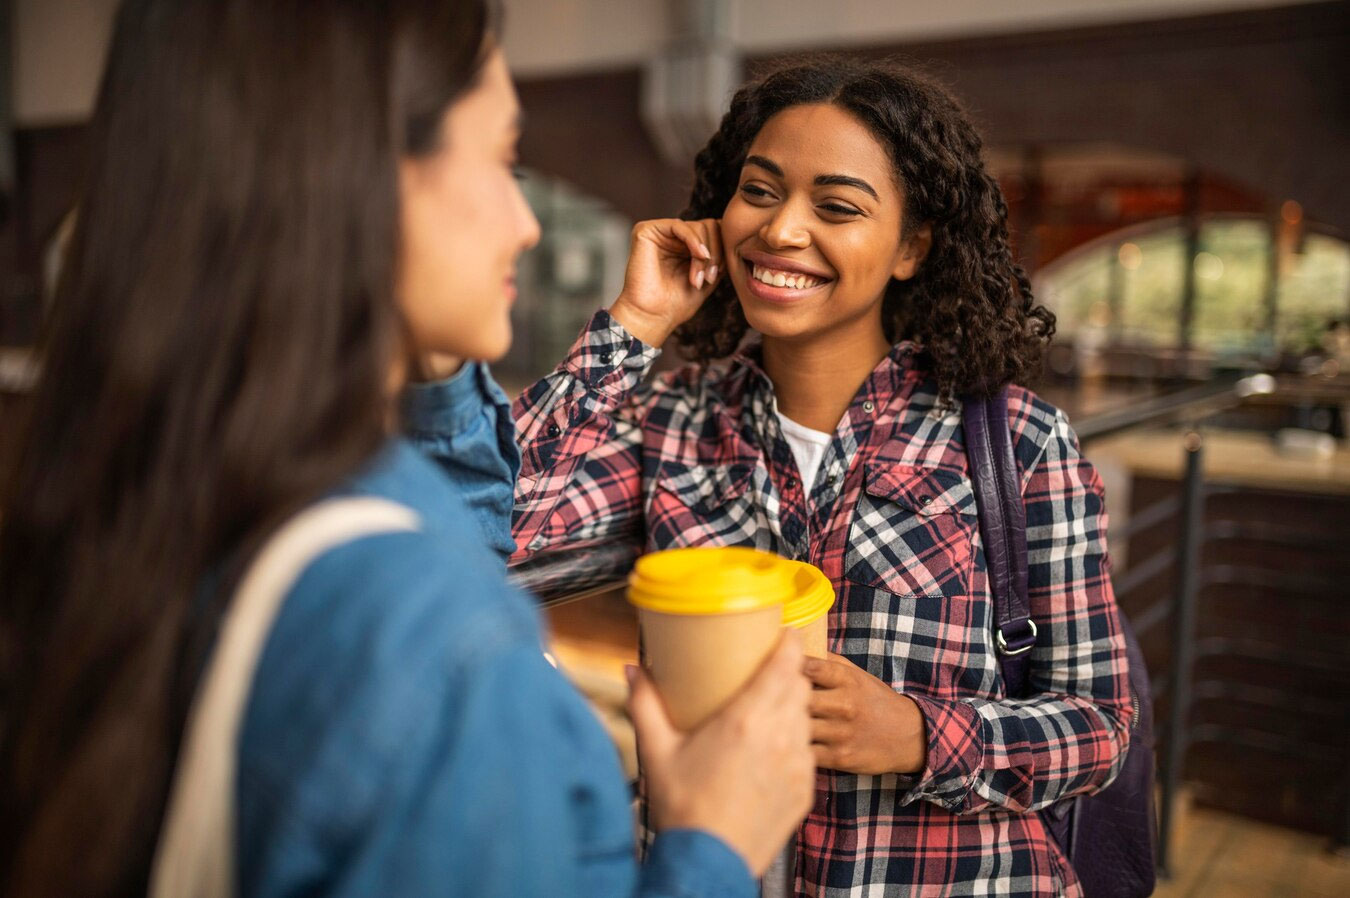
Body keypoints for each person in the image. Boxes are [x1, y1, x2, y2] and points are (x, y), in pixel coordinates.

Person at [0, 2, 815, 896]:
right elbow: (498, 530)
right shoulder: (438, 640)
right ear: (359, 181)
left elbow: (453, 527)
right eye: (504, 160)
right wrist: (713, 845)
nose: (527, 223)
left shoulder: (149, 492)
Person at [511, 57, 1133, 897]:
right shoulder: (671, 422)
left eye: (836, 207)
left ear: (912, 247)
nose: (780, 230)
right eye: (759, 192)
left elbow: (1100, 725)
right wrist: (635, 323)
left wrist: (919, 735)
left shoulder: (1017, 444)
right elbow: (487, 530)